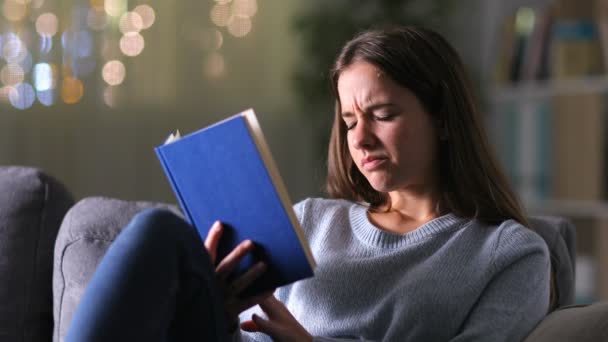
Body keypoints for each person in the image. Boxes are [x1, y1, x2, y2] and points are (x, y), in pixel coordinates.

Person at [66, 26, 551, 342]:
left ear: (443, 119)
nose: (359, 137)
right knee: (160, 232)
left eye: (382, 114)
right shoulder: (313, 219)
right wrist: (223, 306)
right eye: (348, 119)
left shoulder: (509, 254)